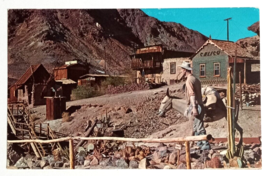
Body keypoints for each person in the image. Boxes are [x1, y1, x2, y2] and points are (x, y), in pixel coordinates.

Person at [177, 61, 211, 151]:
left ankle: (206, 144)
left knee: (199, 126)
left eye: (181, 69)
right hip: (199, 104)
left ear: (185, 70)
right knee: (196, 126)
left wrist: (194, 107)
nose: (181, 71)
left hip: (196, 105)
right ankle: (199, 143)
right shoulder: (195, 79)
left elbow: (192, 94)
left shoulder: (189, 81)